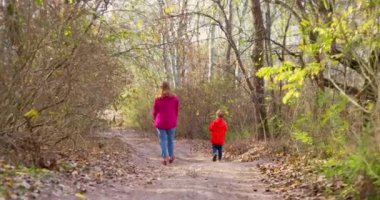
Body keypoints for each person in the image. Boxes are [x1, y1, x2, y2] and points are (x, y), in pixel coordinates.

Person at [152, 81, 179, 165]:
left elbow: (155, 111)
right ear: (169, 87)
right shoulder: (175, 98)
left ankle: (165, 157)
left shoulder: (158, 98)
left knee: (163, 140)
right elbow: (176, 110)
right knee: (170, 140)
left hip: (160, 122)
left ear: (161, 88)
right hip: (171, 121)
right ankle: (171, 156)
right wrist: (174, 118)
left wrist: (154, 119)